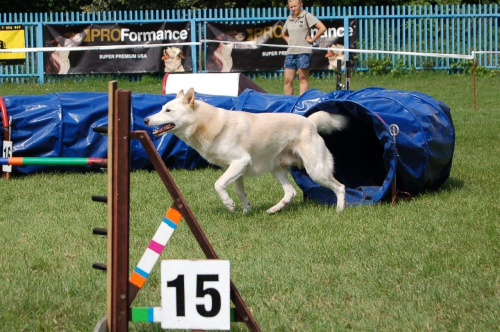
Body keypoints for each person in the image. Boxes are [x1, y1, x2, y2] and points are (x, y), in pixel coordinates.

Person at [283, 0, 326, 95]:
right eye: (291, 7)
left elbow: (322, 28)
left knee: (302, 78)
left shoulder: (307, 16)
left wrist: (312, 39)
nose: (293, 9)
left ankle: (302, 103)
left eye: (295, 6)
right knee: (287, 80)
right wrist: (290, 42)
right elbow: (284, 34)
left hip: (304, 52)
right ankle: (288, 102)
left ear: (301, 4)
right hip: (291, 52)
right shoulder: (289, 18)